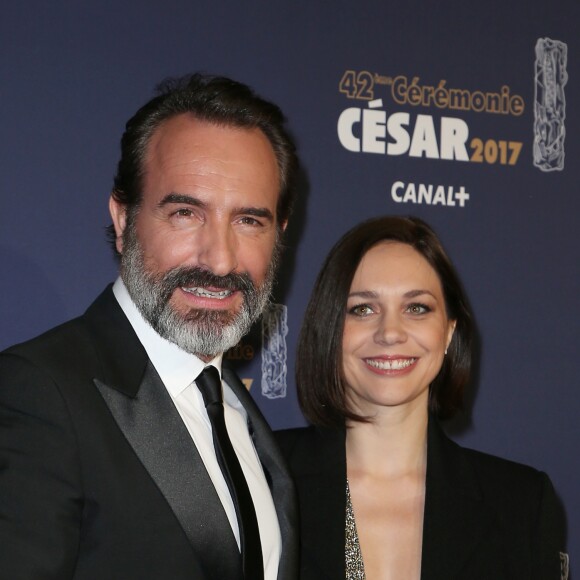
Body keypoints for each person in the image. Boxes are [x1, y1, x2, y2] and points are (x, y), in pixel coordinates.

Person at [0, 73, 299, 579]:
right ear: (123, 221)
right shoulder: (40, 393)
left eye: (249, 221)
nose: (221, 260)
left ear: (280, 235)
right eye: (186, 213)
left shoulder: (240, 417)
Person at [276, 216, 567, 579]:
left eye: (417, 308)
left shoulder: (521, 503)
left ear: (448, 333)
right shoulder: (261, 476)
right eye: (363, 309)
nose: (391, 333)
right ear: (330, 329)